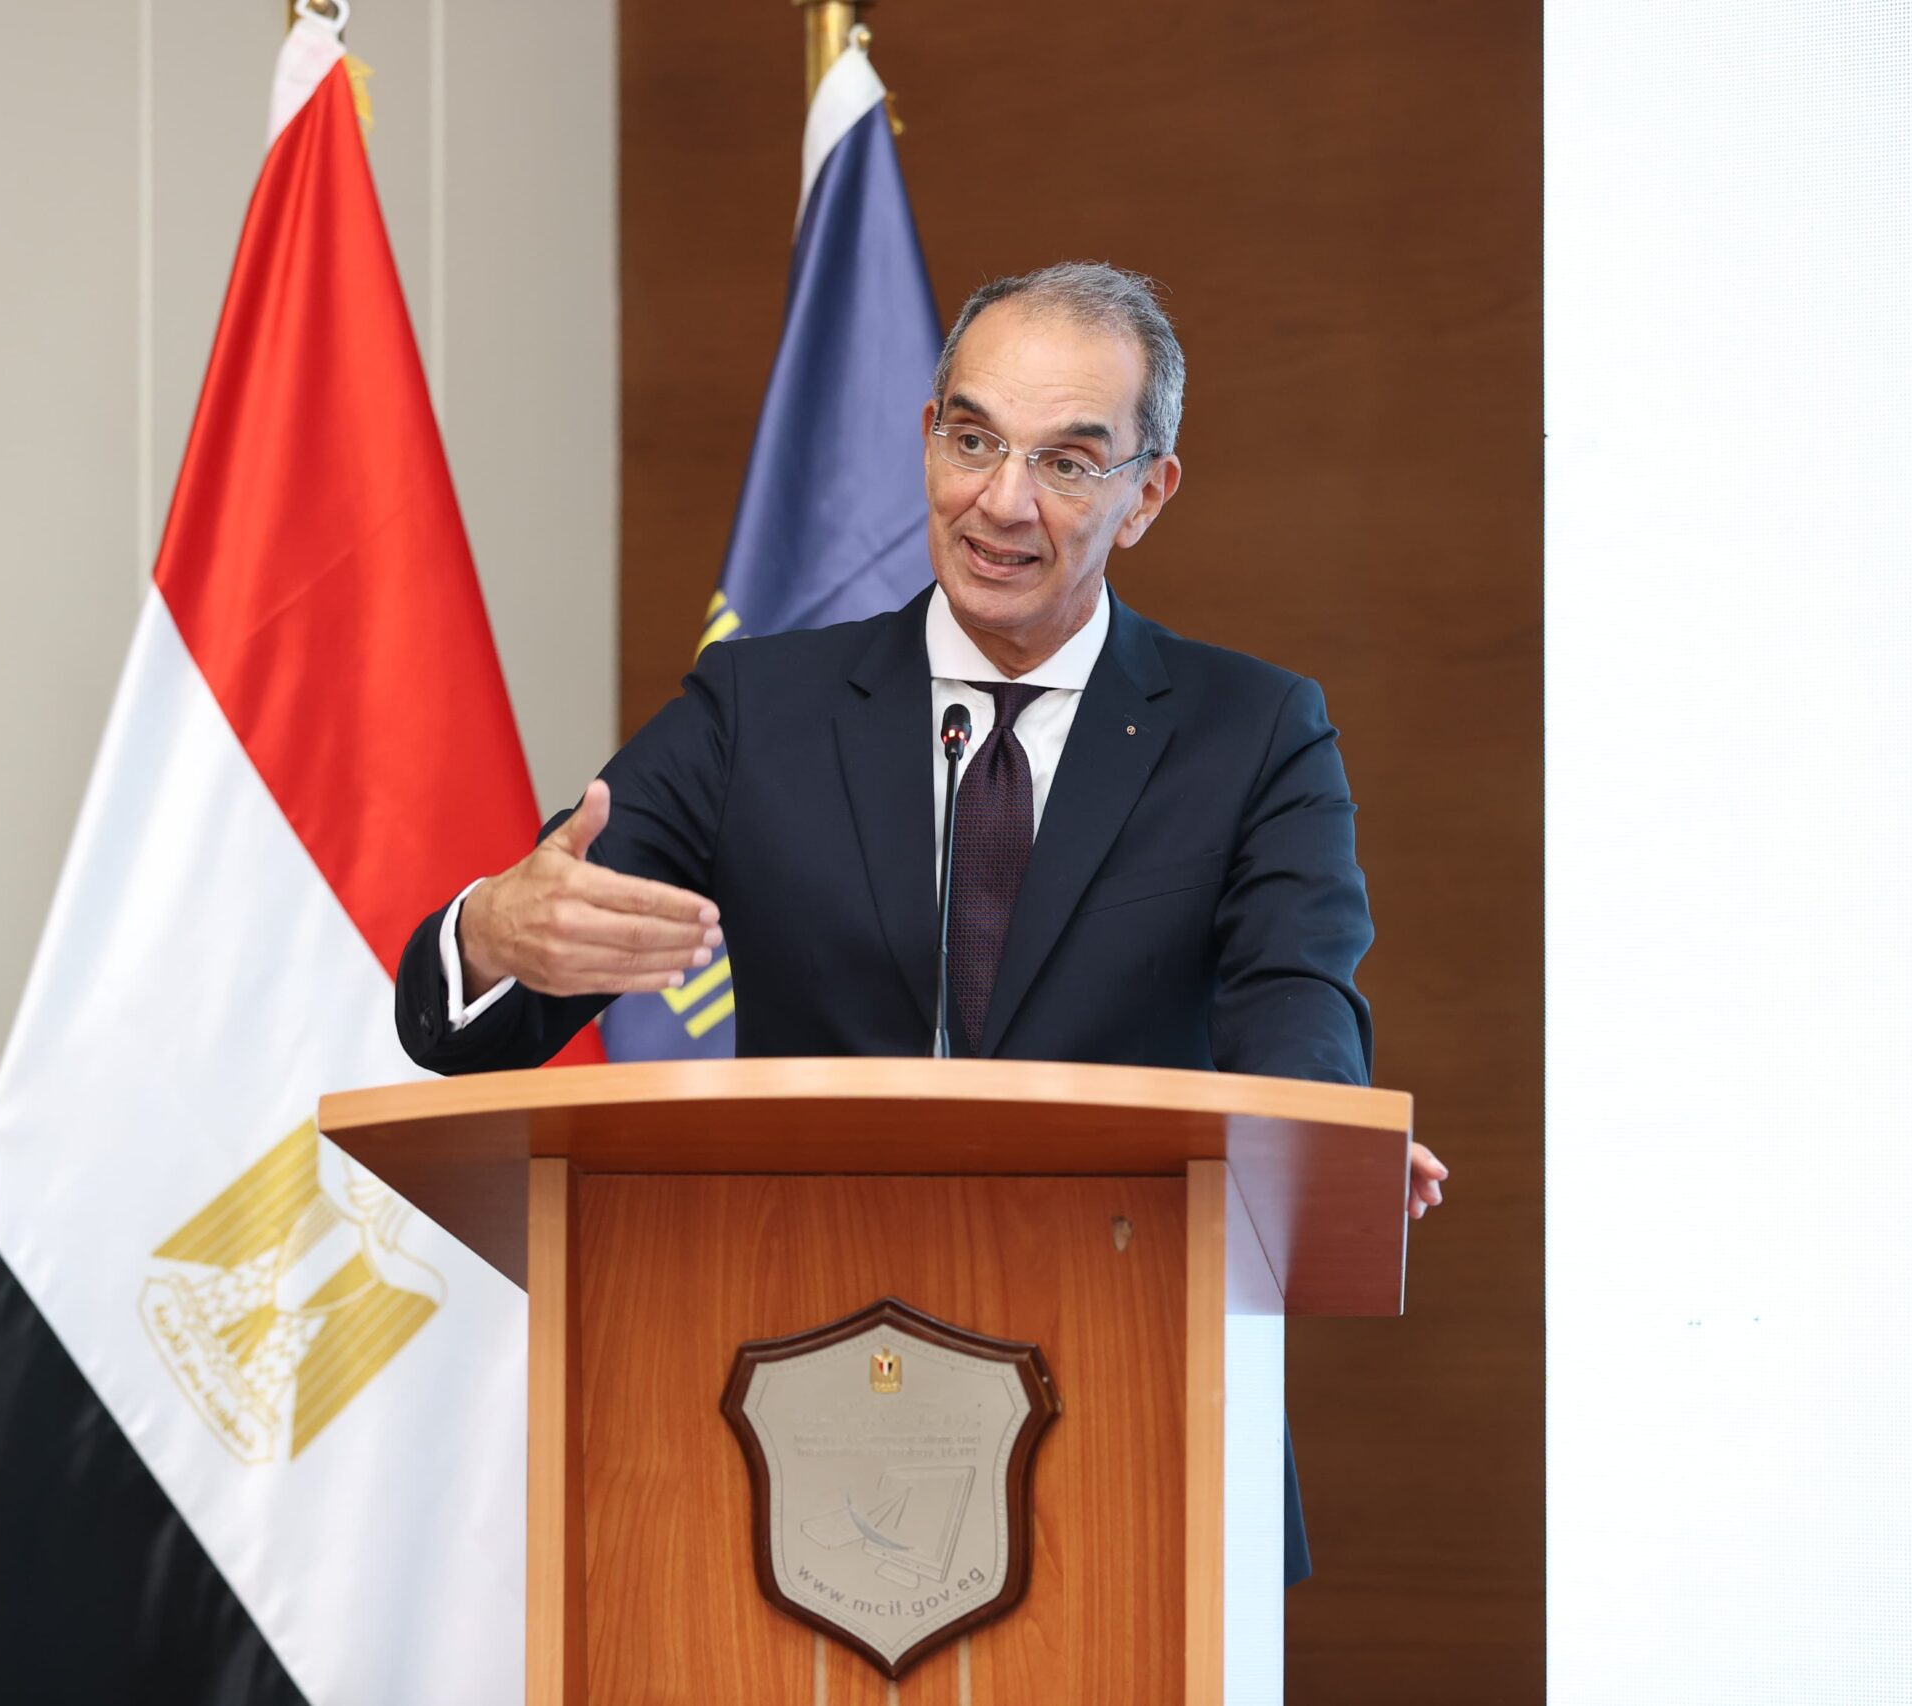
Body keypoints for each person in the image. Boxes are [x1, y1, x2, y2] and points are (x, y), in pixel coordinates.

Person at [392, 260, 1449, 1579]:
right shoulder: (758, 712)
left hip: (1139, 1418)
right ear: (927, 438)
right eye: (972, 440)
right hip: (785, 1410)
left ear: (1146, 495)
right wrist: (495, 932)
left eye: (1068, 463)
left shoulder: (1254, 733)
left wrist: (1322, 1146)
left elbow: (1297, 1005)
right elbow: (499, 993)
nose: (1002, 501)